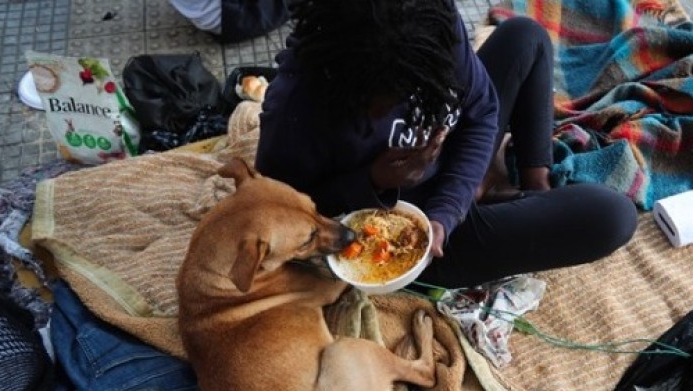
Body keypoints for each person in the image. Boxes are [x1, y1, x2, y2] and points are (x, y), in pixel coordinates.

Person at [256, 0, 638, 290]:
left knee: (526, 37)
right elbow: (286, 214)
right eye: (388, 101)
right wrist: (375, 182)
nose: (409, 104)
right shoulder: (297, 109)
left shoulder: (428, 27)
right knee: (613, 215)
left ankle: (533, 188)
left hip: (446, 198)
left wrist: (453, 200)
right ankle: (491, 201)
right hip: (416, 237)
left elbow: (481, 111)